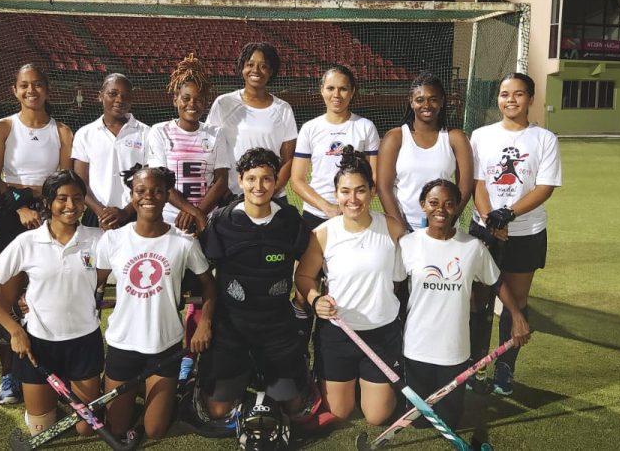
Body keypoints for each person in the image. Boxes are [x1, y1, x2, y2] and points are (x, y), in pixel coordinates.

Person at [0, 170, 105, 436]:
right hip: (38, 344)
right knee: (41, 431)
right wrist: (15, 330)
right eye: (62, 198)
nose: (70, 206)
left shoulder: (99, 239)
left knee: (86, 430)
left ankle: (70, 393)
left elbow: (103, 276)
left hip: (84, 342)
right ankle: (52, 398)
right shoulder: (27, 242)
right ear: (47, 203)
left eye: (77, 198)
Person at [95, 165, 218, 441]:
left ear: (166, 196)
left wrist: (204, 324)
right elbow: (93, 284)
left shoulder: (183, 242)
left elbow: (209, 285)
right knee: (115, 429)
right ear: (132, 195)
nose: (148, 196)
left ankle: (164, 389)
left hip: (165, 346)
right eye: (141, 191)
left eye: (157, 191)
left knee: (154, 430)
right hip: (122, 344)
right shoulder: (113, 239)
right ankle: (140, 388)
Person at [400, 179, 530, 430]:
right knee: (420, 423)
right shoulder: (408, 244)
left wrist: (517, 315)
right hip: (416, 348)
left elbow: (496, 281)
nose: (441, 209)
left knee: (448, 422)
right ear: (423, 206)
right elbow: (391, 283)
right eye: (434, 203)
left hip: (454, 349)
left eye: (449, 204)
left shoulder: (472, 247)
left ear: (458, 207)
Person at [195, 147, 313, 425]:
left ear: (276, 182)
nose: (258, 186)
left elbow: (308, 267)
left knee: (293, 408)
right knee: (218, 412)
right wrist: (205, 322)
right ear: (240, 179)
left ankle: (269, 376)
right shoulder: (222, 221)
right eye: (251, 179)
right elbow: (205, 276)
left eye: (266, 179)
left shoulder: (289, 220)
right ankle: (228, 377)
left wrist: (301, 306)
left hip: (276, 325)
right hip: (232, 325)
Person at [295, 147, 407, 426]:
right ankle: (352, 381)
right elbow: (304, 277)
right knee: (340, 411)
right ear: (336, 193)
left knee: (377, 416)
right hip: (338, 334)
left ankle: (374, 383)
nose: (352, 199)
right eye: (345, 191)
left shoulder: (392, 227)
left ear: (372, 191)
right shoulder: (322, 233)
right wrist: (314, 299)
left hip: (381, 333)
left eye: (360, 190)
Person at [0, 63, 75, 405]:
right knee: (6, 297)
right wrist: (19, 206)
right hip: (12, 216)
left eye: (37, 85)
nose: (31, 91)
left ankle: (54, 367)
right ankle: (9, 373)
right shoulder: (4, 127)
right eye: (24, 85)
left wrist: (41, 205)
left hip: (50, 216)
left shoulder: (63, 131)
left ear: (47, 89)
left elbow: (63, 182)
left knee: (48, 292)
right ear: (15, 90)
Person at [470, 73, 561, 396]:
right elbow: (477, 183)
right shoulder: (481, 136)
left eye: (518, 94)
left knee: (515, 303)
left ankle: (504, 366)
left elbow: (545, 187)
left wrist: (508, 214)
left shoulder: (544, 139)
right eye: (505, 94)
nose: (511, 100)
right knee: (478, 299)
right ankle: (475, 364)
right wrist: (489, 219)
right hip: (484, 229)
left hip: (526, 231)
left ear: (531, 99)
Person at [377, 72, 474, 232]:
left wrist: (448, 222)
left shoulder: (455, 138)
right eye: (420, 100)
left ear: (442, 101)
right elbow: (383, 188)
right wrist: (401, 229)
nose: (427, 105)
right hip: (405, 228)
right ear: (411, 102)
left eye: (433, 99)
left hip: (443, 228)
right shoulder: (395, 137)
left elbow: (465, 186)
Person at [145, 54, 229, 232]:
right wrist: (194, 213)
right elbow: (160, 181)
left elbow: (221, 182)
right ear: (175, 99)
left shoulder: (216, 133)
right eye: (186, 98)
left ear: (205, 103)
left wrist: (199, 214)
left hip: (207, 219)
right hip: (168, 218)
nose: (192, 104)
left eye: (199, 99)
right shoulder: (160, 131)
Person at [291, 65, 380, 232]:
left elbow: (374, 176)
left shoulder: (366, 127)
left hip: (355, 213)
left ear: (352, 92)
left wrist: (353, 205)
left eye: (343, 89)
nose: (336, 95)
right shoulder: (310, 128)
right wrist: (327, 207)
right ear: (322, 90)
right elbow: (296, 180)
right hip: (315, 214)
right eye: (330, 88)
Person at [206, 42, 297, 204]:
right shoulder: (224, 103)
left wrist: (270, 191)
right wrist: (221, 187)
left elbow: (289, 159)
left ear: (271, 71)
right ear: (242, 68)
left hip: (272, 197)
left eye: (263, 66)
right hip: (232, 195)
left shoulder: (283, 109)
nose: (255, 70)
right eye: (250, 64)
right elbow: (209, 148)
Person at [73, 73, 147, 230]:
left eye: (125, 95)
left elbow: (150, 182)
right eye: (113, 94)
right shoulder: (85, 134)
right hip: (96, 214)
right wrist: (102, 213)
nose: (119, 99)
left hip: (135, 213)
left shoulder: (146, 133)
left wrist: (126, 212)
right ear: (100, 96)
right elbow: (81, 183)